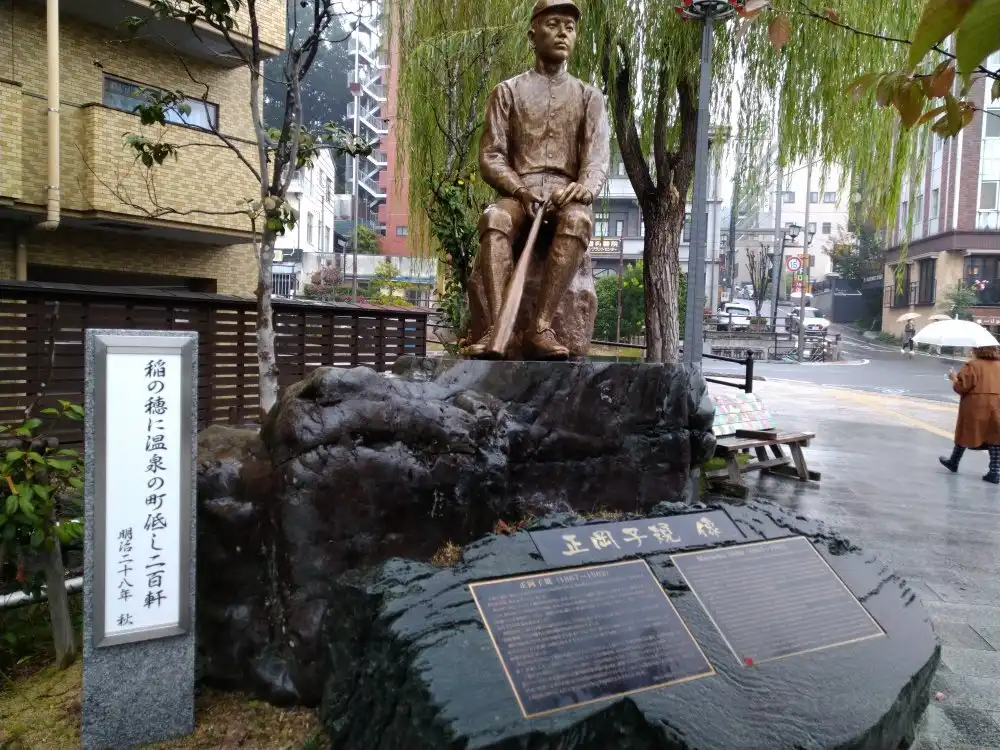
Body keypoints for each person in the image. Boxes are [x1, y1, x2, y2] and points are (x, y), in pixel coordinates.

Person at [464, 0, 610, 359]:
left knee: (578, 219)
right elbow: (491, 156)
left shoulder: (589, 97)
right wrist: (520, 189)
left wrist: (584, 189)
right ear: (532, 34)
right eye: (554, 24)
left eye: (570, 27)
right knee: (494, 218)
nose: (563, 33)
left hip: (564, 196)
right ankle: (499, 326)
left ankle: (540, 326)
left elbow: (597, 159)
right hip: (520, 190)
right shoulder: (507, 92)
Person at [939, 345, 1000, 484]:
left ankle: (954, 461)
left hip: (975, 405)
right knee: (995, 436)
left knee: (966, 431)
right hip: (997, 405)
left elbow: (961, 387)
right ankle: (995, 471)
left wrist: (954, 377)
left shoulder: (972, 366)